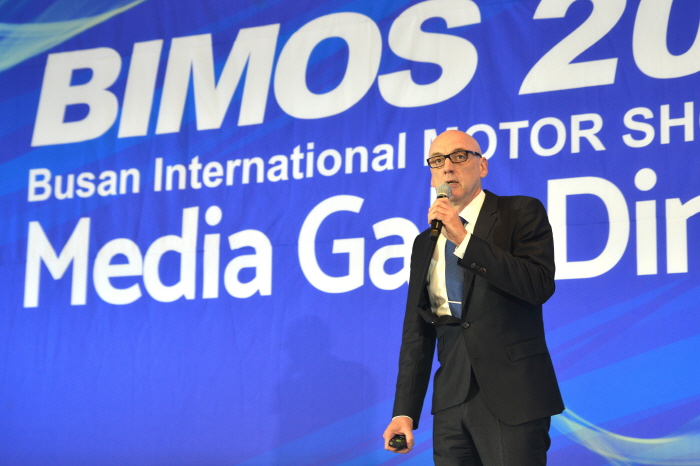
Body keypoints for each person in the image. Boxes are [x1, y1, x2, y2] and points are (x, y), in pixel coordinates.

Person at [382, 130, 564, 465]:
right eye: (438, 161)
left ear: (483, 166)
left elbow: (537, 285)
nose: (448, 167)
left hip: (513, 395)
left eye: (459, 156)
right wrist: (404, 413)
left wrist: (464, 238)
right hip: (451, 401)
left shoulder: (520, 212)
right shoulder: (424, 242)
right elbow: (417, 333)